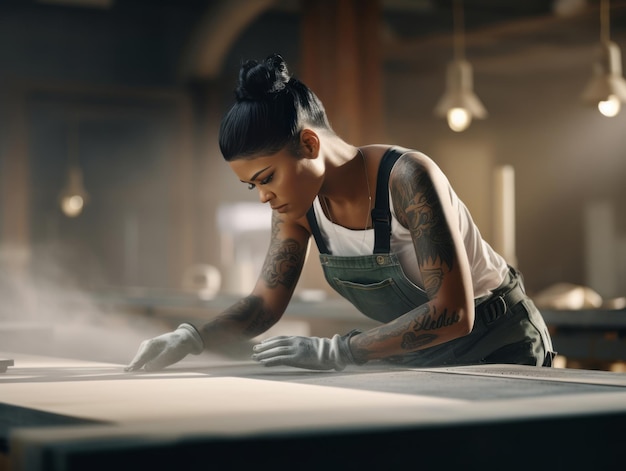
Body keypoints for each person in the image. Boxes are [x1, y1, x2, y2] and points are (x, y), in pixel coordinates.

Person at [125, 53, 555, 373]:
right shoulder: (297, 208)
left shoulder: (405, 178)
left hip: (499, 343)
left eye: (267, 177)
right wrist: (193, 337)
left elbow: (454, 313)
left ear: (309, 145)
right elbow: (264, 304)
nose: (263, 197)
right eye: (252, 185)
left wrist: (338, 351)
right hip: (418, 353)